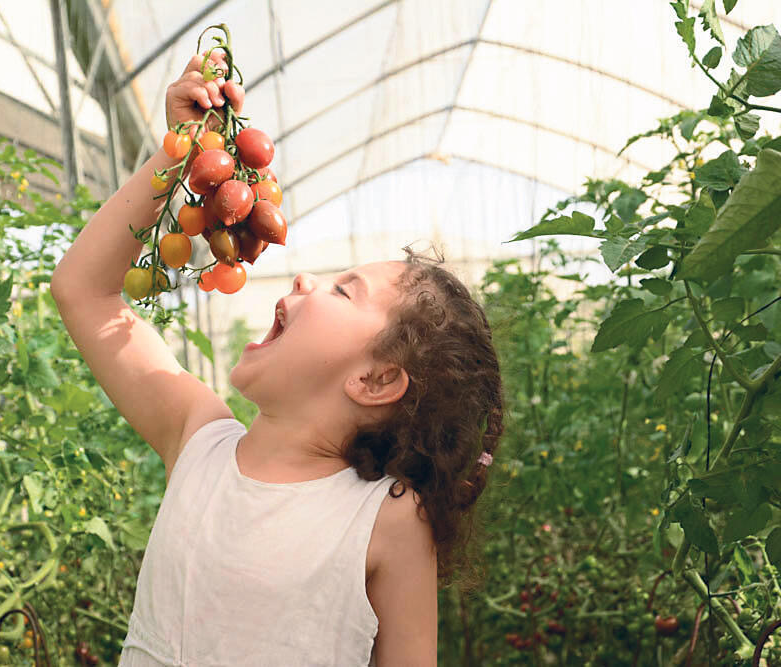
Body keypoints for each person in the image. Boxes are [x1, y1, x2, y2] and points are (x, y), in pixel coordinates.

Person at [51, 51, 505, 667]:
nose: (303, 280)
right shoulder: (197, 437)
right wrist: (181, 153)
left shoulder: (389, 520)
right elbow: (85, 291)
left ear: (375, 380)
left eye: (345, 291)